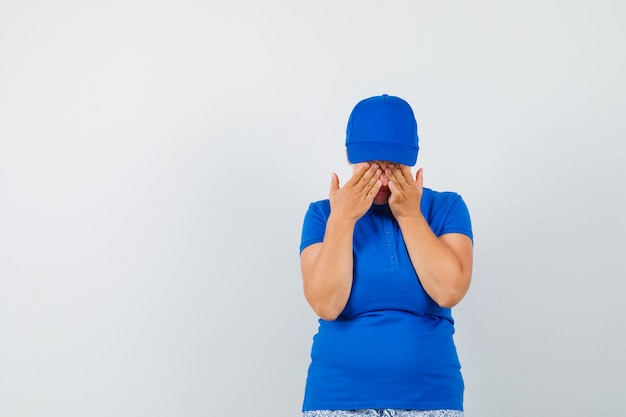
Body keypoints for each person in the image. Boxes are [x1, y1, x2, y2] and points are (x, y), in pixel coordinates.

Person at [299, 94, 474, 417]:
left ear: (411, 160)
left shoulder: (446, 207)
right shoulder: (323, 215)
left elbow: (449, 290)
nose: (381, 178)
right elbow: (326, 303)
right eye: (370, 165)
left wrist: (410, 215)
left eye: (393, 165)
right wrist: (343, 220)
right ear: (351, 157)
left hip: (430, 398)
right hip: (338, 399)